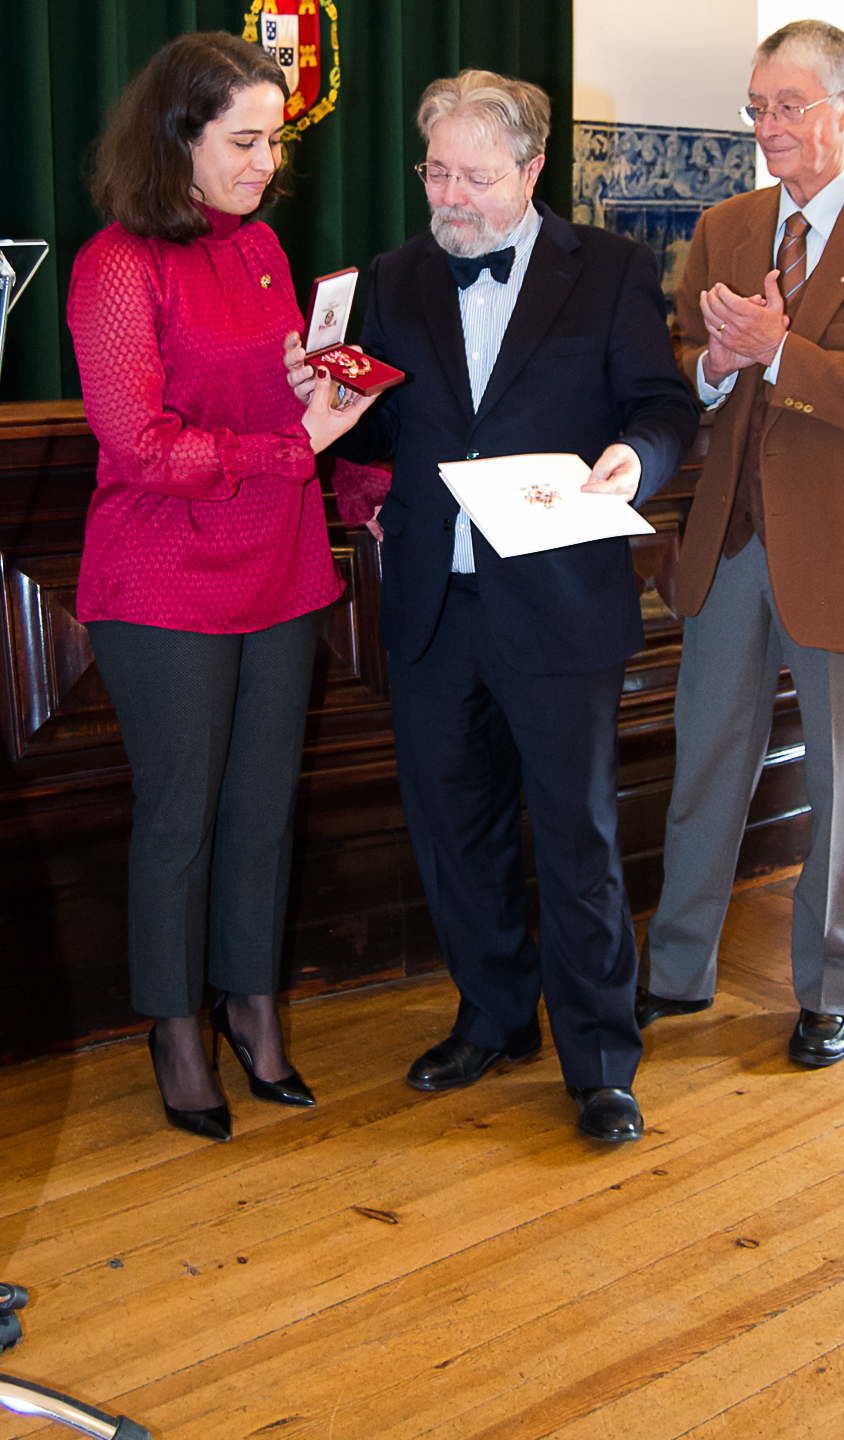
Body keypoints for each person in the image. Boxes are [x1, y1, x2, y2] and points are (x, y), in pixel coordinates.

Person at [287, 70, 699, 1144]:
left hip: (559, 602)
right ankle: (493, 1017)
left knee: (576, 838)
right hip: (434, 603)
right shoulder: (395, 276)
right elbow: (387, 431)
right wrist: (328, 404)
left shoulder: (609, 268)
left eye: (474, 176)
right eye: (435, 173)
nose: (450, 197)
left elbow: (662, 406)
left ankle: (600, 1060)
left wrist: (636, 457)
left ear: (530, 169)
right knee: (453, 830)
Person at [641, 20, 844, 1068]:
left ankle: (831, 987)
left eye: (788, 107)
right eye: (756, 108)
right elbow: (685, 359)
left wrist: (781, 352)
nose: (767, 127)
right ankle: (676, 969)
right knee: (704, 766)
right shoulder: (727, 225)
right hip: (730, 542)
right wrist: (712, 368)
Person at [69, 31, 373, 1143]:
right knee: (181, 815)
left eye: (273, 140)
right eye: (243, 141)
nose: (265, 163)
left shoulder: (262, 251)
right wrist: (293, 447)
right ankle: (175, 1026)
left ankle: (250, 1003)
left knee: (260, 809)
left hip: (279, 560)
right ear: (176, 138)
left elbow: (267, 397)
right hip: (162, 573)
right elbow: (141, 444)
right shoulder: (117, 264)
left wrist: (316, 394)